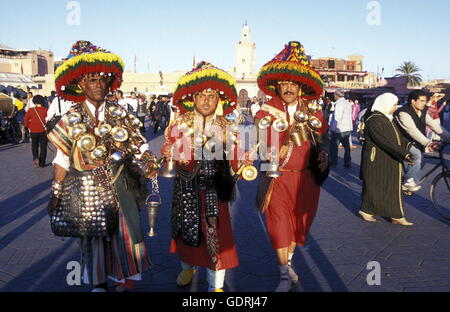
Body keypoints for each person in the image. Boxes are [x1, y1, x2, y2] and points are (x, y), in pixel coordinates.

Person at [46, 41, 159, 292]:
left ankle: (122, 281)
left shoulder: (121, 114)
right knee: (93, 239)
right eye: (91, 80)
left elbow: (139, 146)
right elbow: (62, 159)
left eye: (102, 80)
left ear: (109, 84)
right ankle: (98, 285)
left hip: (120, 185)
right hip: (85, 189)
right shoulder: (69, 119)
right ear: (81, 84)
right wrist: (56, 193)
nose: (98, 84)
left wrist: (149, 160)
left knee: (125, 234)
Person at [161, 61, 252, 292]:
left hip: (215, 191)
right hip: (186, 189)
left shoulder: (227, 127)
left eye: (212, 96)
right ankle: (188, 267)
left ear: (218, 100)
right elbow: (170, 155)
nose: (206, 101)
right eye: (201, 96)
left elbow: (235, 163)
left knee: (217, 238)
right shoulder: (180, 124)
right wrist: (167, 153)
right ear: (193, 98)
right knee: (185, 233)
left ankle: (216, 287)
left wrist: (243, 163)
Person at [255, 41, 329, 292]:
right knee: (279, 224)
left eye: (293, 84)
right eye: (284, 84)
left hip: (307, 180)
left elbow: (321, 140)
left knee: (300, 224)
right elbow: (263, 144)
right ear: (277, 86)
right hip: (277, 178)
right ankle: (283, 273)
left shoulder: (314, 112)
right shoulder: (264, 112)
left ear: (300, 86)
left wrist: (324, 156)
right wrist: (279, 145)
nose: (288, 88)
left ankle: (288, 263)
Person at [359, 93, 415, 226]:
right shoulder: (374, 119)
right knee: (374, 186)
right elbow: (383, 140)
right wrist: (403, 153)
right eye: (394, 105)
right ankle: (366, 211)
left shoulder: (387, 118)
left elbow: (398, 137)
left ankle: (396, 215)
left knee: (392, 186)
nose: (395, 108)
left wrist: (409, 145)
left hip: (389, 157)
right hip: (376, 159)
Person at [395, 90, 450, 192]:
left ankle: (409, 180)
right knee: (417, 155)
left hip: (413, 141)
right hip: (401, 141)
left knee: (422, 159)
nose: (425, 103)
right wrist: (428, 142)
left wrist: (448, 137)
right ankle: (408, 182)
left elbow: (433, 125)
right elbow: (412, 130)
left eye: (425, 101)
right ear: (413, 101)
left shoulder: (422, 111)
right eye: (422, 101)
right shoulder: (403, 112)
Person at [329, 89, 353, 168]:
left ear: (336, 95)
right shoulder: (347, 103)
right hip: (347, 127)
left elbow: (337, 117)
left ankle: (333, 161)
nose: (333, 96)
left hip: (340, 128)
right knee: (346, 147)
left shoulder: (339, 104)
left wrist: (332, 129)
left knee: (333, 146)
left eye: (334, 95)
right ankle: (347, 162)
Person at [24, 95, 48, 168]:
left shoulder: (31, 110)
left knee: (34, 145)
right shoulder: (46, 110)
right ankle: (42, 162)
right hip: (43, 130)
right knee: (43, 146)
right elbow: (49, 120)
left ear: (34, 101)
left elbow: (25, 121)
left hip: (33, 130)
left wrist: (30, 126)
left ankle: (35, 158)